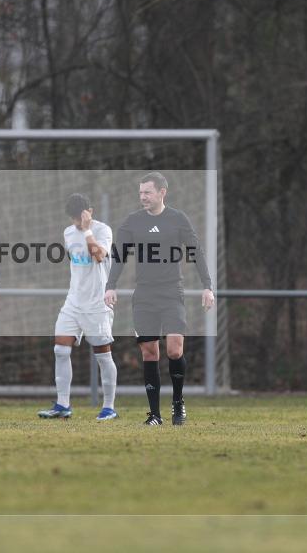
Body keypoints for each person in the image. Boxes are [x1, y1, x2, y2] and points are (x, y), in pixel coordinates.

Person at [104, 172, 215, 426]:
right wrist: (111, 286)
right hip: (144, 294)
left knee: (175, 349)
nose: (143, 196)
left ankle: (178, 403)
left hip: (171, 293)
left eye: (148, 192)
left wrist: (207, 286)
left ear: (162, 192)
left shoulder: (178, 219)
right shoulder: (133, 222)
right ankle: (155, 414)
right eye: (141, 192)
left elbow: (195, 253)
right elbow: (119, 256)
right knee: (149, 351)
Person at [38, 194, 119, 421]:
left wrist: (86, 231)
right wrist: (78, 229)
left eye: (80, 217)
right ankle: (63, 405)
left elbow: (98, 256)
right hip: (73, 301)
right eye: (73, 219)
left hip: (97, 304)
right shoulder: (68, 232)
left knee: (103, 355)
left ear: (89, 211)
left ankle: (109, 407)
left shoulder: (103, 230)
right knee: (60, 349)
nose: (76, 222)